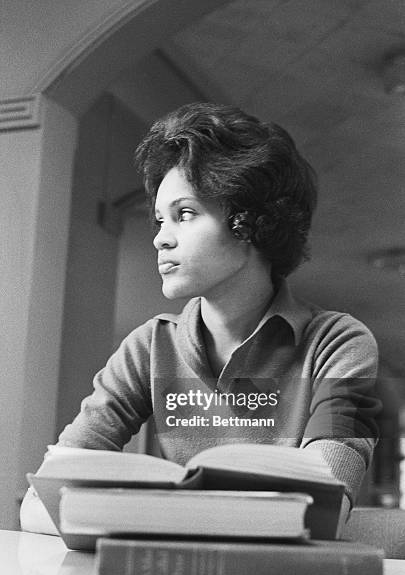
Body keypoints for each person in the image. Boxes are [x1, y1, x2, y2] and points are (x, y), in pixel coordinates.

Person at [20, 102, 380, 535]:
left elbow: (322, 513)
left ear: (249, 223)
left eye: (184, 214)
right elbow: (40, 506)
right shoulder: (149, 347)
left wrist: (141, 514)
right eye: (158, 219)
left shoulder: (340, 344)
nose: (160, 238)